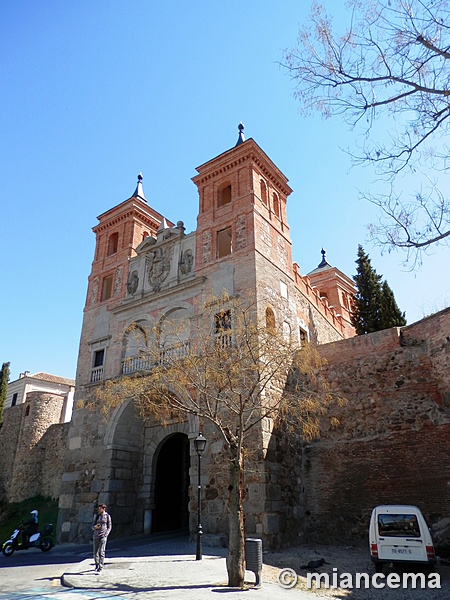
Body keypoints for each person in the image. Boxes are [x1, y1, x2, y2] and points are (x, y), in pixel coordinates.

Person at [92, 503, 112, 572]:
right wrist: (95, 527)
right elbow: (92, 525)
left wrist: (106, 533)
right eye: (99, 508)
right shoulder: (96, 516)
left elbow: (109, 526)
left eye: (100, 508)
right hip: (96, 535)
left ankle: (100, 567)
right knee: (95, 552)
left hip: (103, 535)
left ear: (104, 509)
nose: (99, 510)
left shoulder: (107, 516)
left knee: (102, 551)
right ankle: (97, 564)